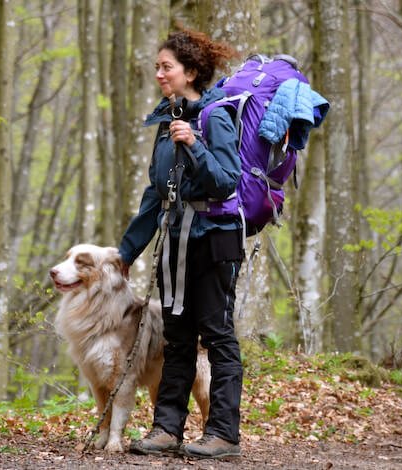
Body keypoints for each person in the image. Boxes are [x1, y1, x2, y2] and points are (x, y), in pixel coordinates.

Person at [118, 28, 244, 459]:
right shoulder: (166, 121)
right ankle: (167, 429)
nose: (159, 74)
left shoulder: (215, 118)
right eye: (157, 67)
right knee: (177, 337)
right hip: (177, 243)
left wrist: (194, 145)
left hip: (215, 241)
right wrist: (125, 253)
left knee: (218, 335)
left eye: (166, 67)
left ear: (190, 72)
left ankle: (224, 434)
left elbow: (226, 182)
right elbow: (156, 194)